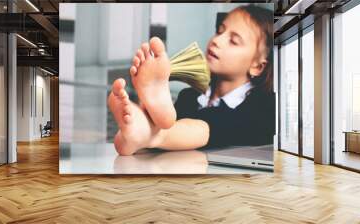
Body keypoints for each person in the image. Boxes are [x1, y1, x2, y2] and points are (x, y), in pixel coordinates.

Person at [108, 5, 275, 156]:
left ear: (257, 67)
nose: (216, 40)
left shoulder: (263, 105)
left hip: (220, 176)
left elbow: (205, 129)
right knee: (156, 131)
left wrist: (158, 135)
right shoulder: (189, 97)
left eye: (233, 41)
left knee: (197, 128)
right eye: (219, 31)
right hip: (181, 169)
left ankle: (145, 134)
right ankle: (134, 136)